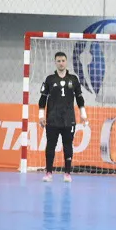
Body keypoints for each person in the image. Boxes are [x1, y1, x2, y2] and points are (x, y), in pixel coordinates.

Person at [38, 52, 88, 183]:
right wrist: (41, 116)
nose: (61, 63)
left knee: (67, 146)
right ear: (55, 62)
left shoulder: (73, 79)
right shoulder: (49, 79)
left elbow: (79, 98)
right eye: (58, 61)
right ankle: (48, 173)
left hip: (68, 119)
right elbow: (42, 99)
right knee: (50, 145)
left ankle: (67, 173)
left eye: (63, 60)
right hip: (52, 119)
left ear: (66, 62)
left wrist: (83, 114)